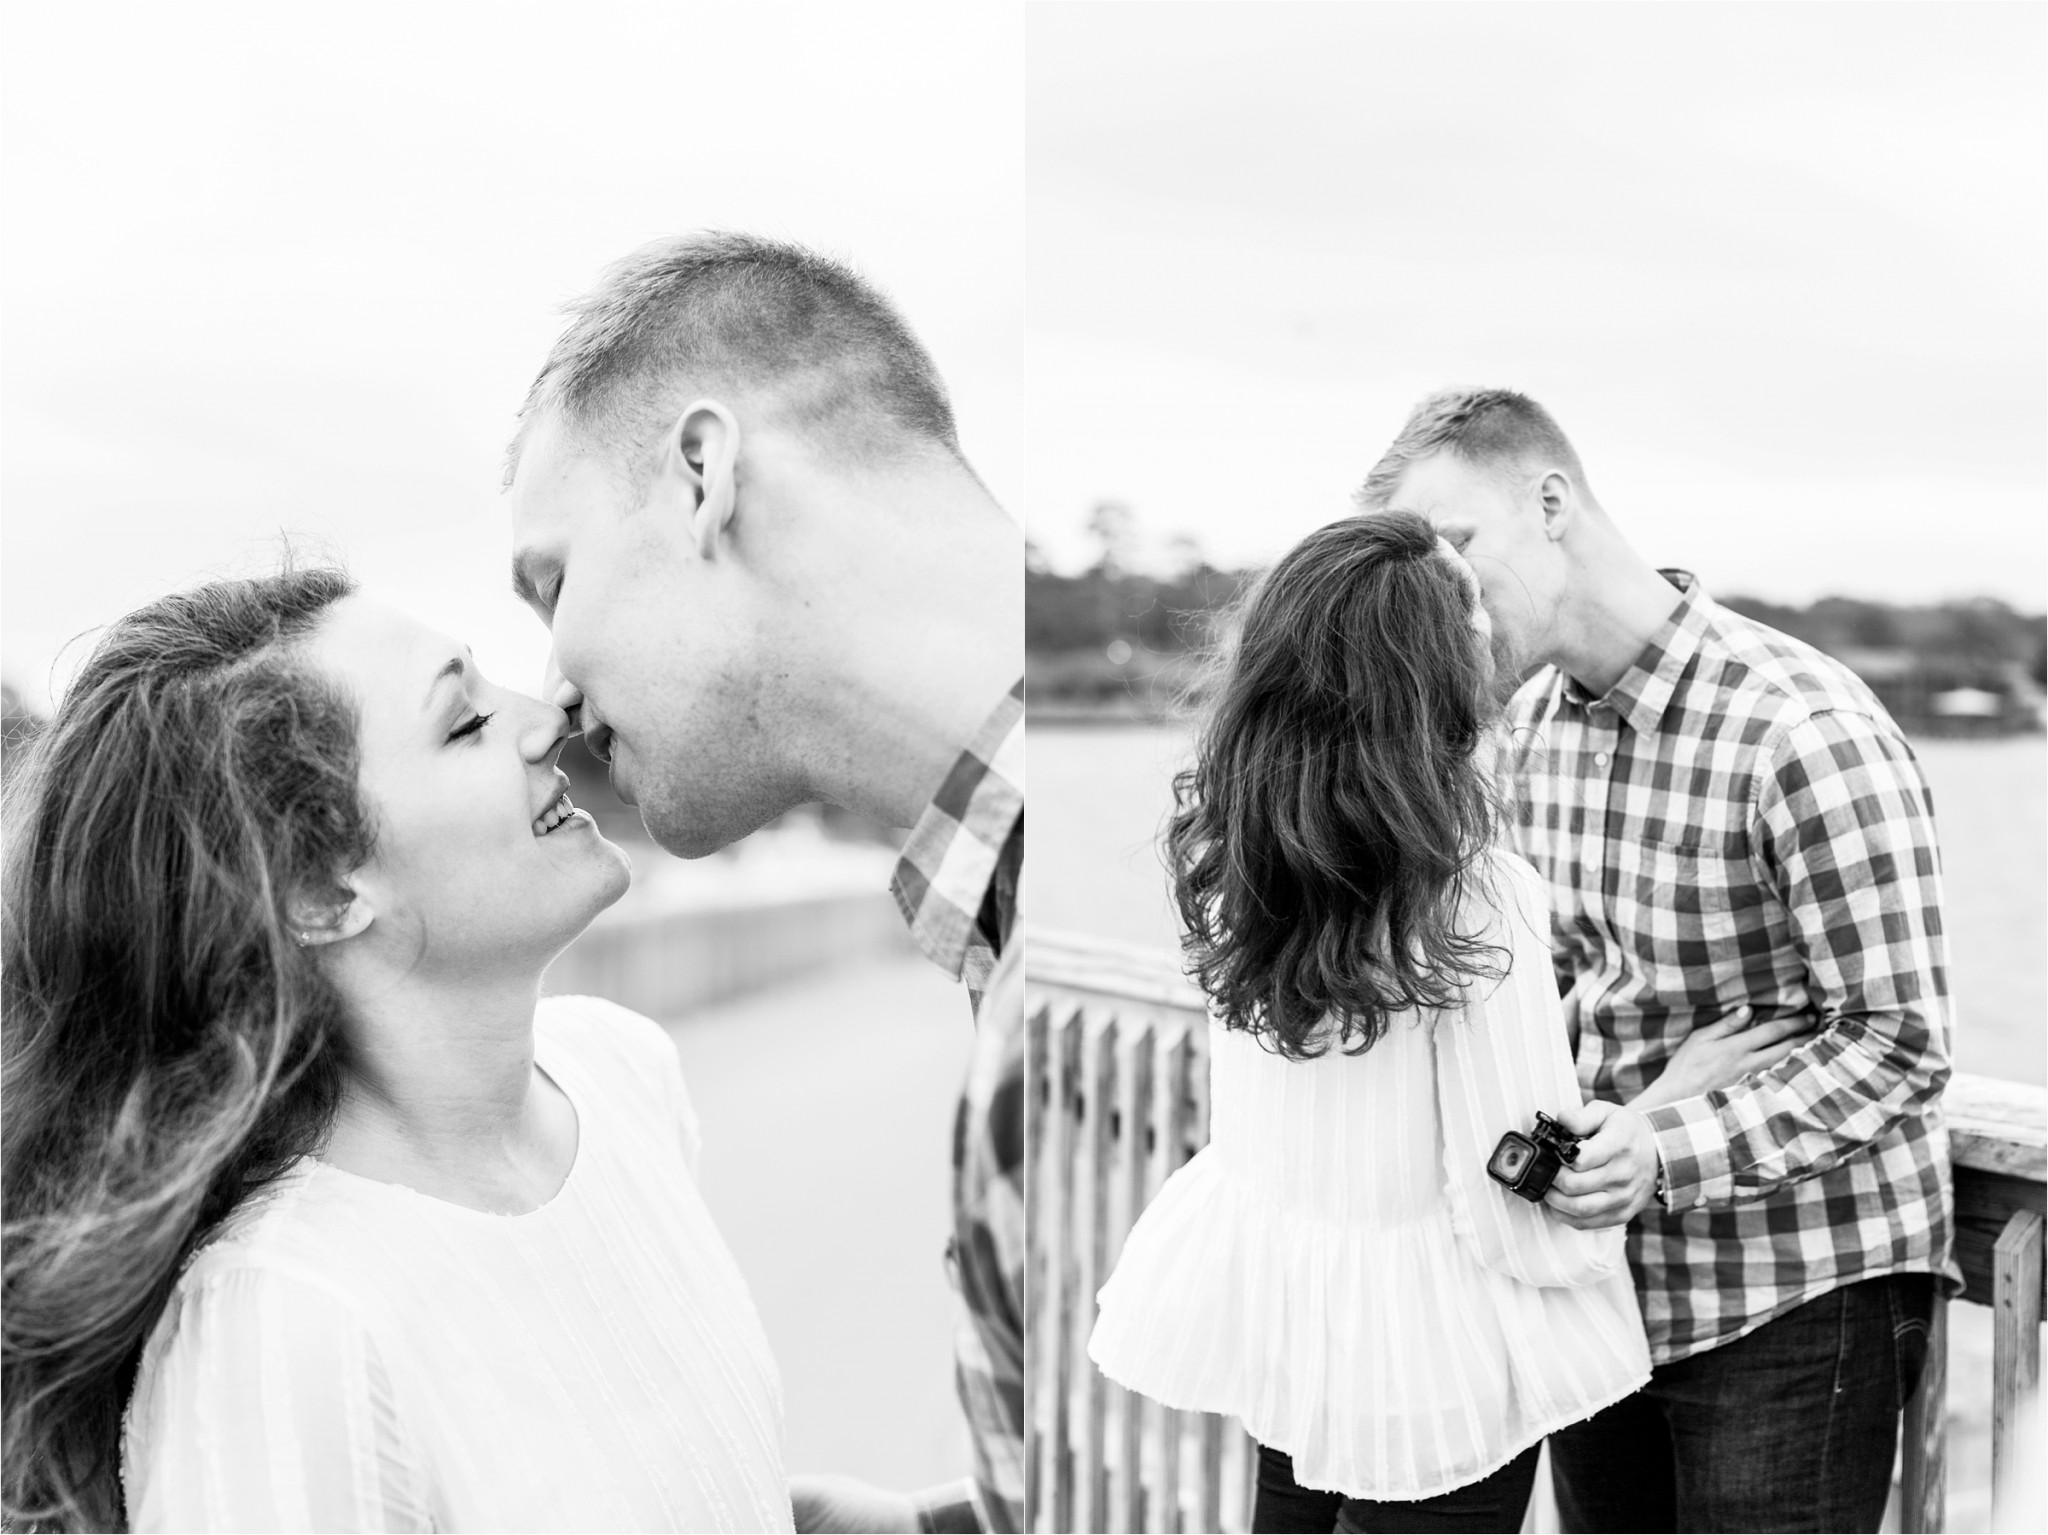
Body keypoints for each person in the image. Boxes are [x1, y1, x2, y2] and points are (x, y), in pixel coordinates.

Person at [1, 568, 793, 1532]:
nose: (545, 718)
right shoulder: (287, 1328)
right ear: (320, 895)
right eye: (464, 723)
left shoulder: (625, 1073)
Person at [1358, 387, 1955, 1534]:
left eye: (1457, 545)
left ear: (1549, 501)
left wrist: (1668, 1141)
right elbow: (1555, 999)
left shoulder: (1800, 731)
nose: (1441, 594)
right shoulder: (1522, 733)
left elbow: (1899, 1042)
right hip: (1596, 1285)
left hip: (1790, 1295)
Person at [502, 233, 1025, 1534]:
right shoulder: (1026, 889)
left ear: (701, 475)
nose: (552, 687)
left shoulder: (1162, 895)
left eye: (551, 580)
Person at [1088, 512, 1658, 1534]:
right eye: (1468, 614)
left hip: (1291, 1330)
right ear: (1429, 671)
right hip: (1428, 1366)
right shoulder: (1475, 896)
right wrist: (1628, 1163)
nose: (1487, 632)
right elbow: (1508, 1196)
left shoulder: (1241, 861)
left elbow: (1355, 1063)